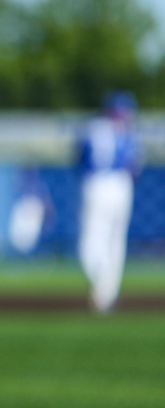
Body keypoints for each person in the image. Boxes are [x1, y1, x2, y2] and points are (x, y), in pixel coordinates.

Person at [76, 91, 142, 313]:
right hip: (121, 184)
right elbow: (135, 168)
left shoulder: (91, 128)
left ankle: (103, 287)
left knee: (92, 241)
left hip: (97, 182)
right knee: (115, 241)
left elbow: (79, 158)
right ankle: (107, 292)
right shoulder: (127, 132)